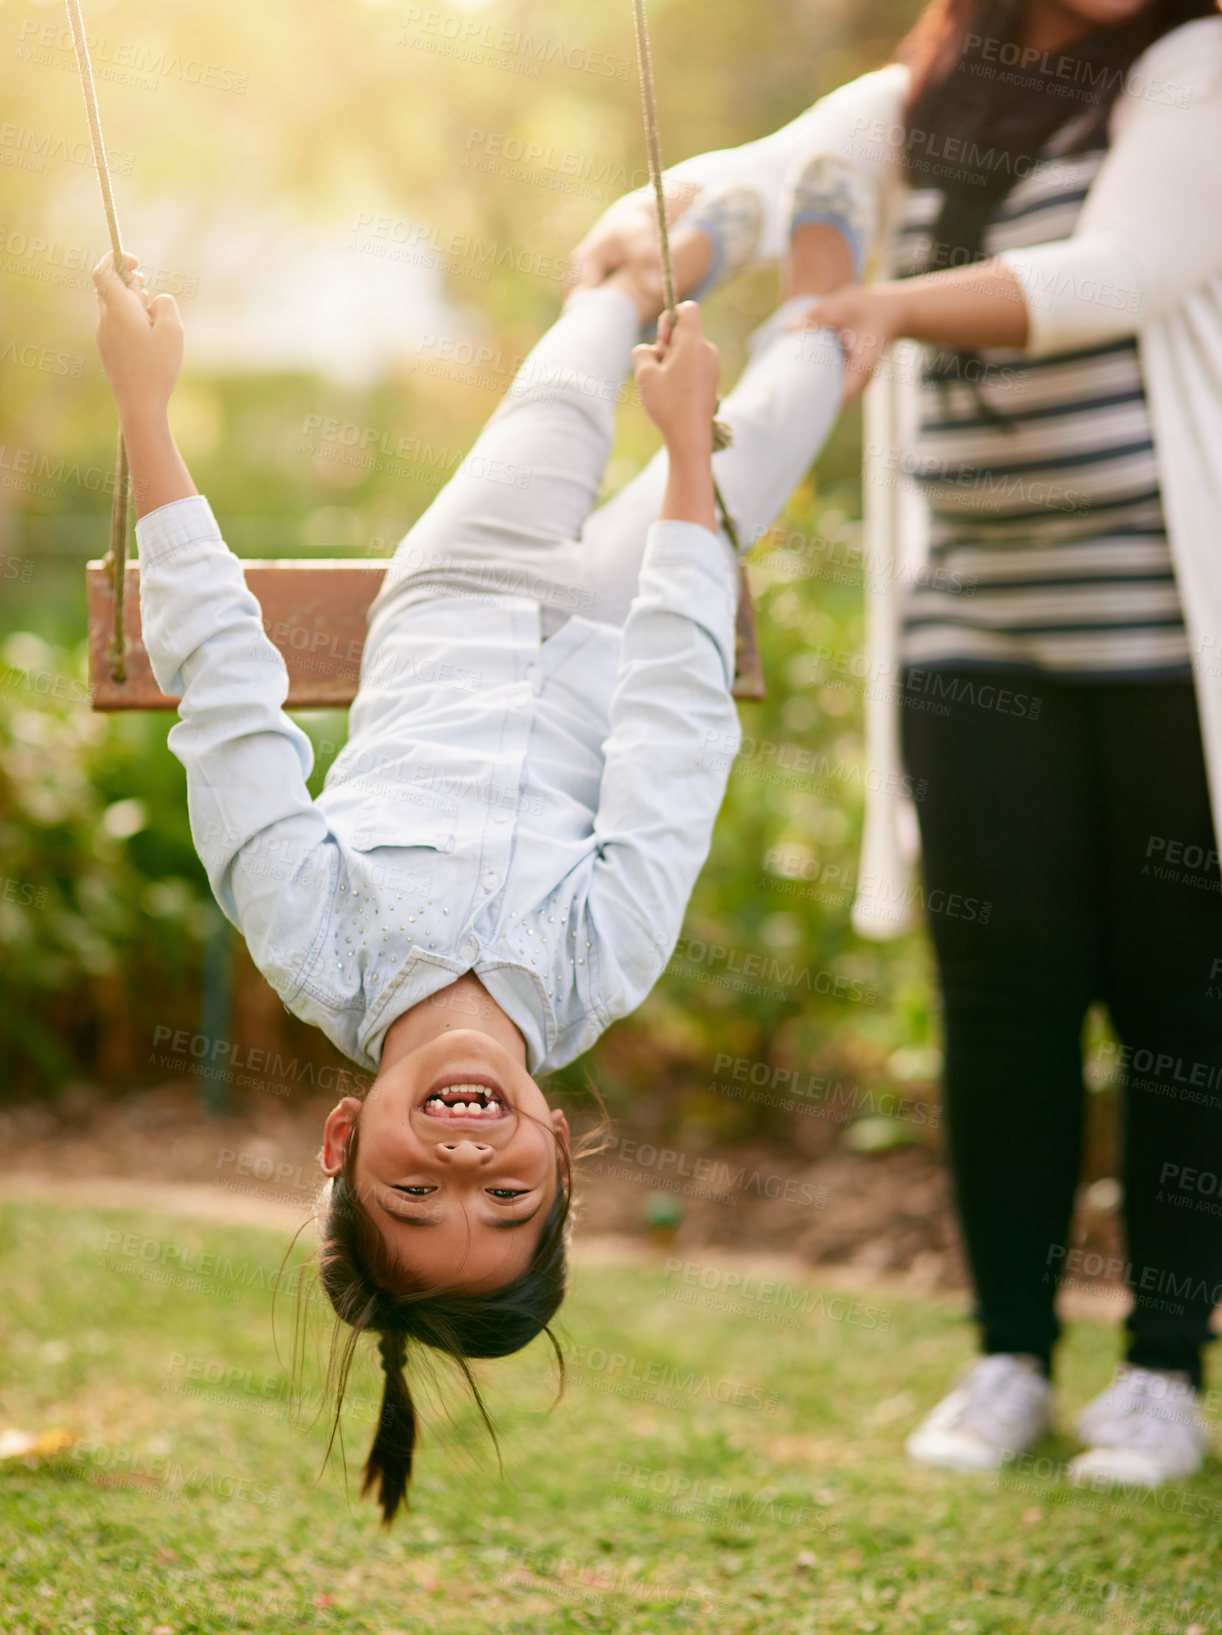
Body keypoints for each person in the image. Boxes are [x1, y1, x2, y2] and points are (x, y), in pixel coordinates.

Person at [90, 187, 848, 1517]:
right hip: (630, 621)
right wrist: (682, 465)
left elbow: (222, 681)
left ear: (344, 1134)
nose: (461, 1169)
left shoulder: (309, 936)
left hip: (464, 584)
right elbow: (674, 729)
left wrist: (146, 410)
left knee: (588, 344)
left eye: (410, 1188)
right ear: (558, 1148)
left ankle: (634, 263)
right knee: (805, 379)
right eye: (505, 1200)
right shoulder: (596, 965)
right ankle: (844, 252)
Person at [573, 0, 1222, 1487]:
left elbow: (1122, 270)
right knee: (1001, 999)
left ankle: (1161, 1371)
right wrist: (641, 250)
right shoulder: (922, 97)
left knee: (1177, 1007)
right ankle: (1004, 1355)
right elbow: (751, 184)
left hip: (1161, 636)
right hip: (970, 634)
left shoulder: (1186, 69)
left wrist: (882, 310)